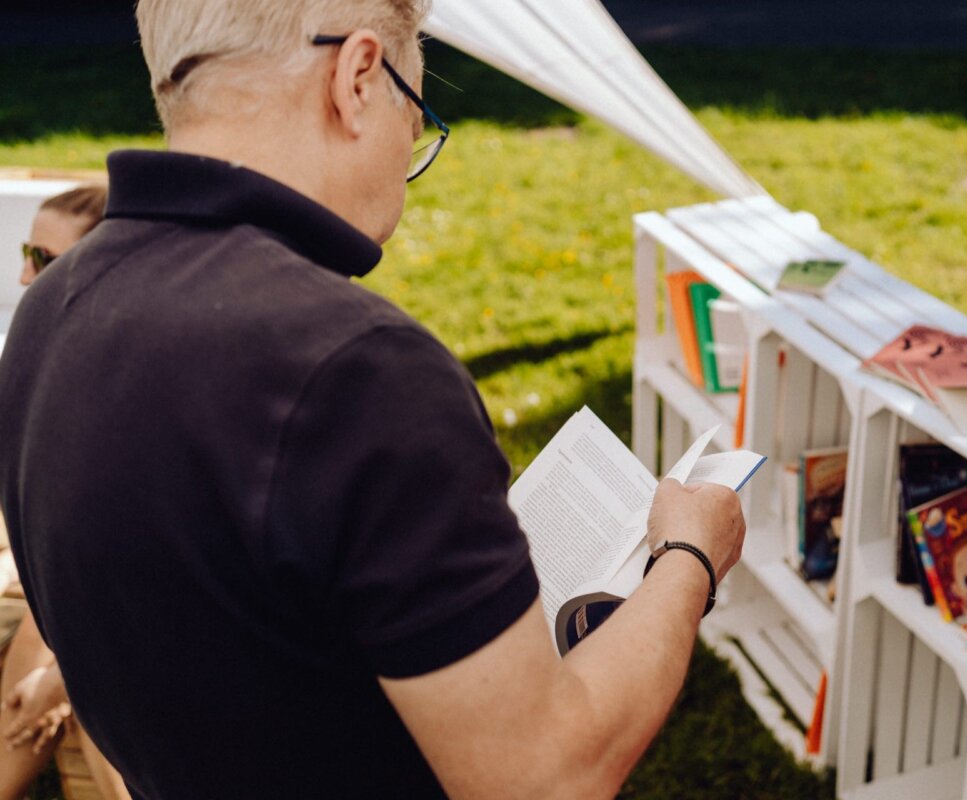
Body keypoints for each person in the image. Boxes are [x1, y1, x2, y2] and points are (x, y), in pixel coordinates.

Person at [0, 1, 746, 798]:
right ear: (357, 77)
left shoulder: (50, 305)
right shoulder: (358, 371)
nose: (409, 155)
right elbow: (544, 780)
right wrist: (689, 557)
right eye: (417, 113)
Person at [1, 185, 130, 800]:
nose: (25, 277)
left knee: (54, 637)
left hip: (109, 594)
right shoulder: (49, 355)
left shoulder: (126, 367)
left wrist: (59, 681)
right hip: (66, 577)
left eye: (44, 260)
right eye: (27, 252)